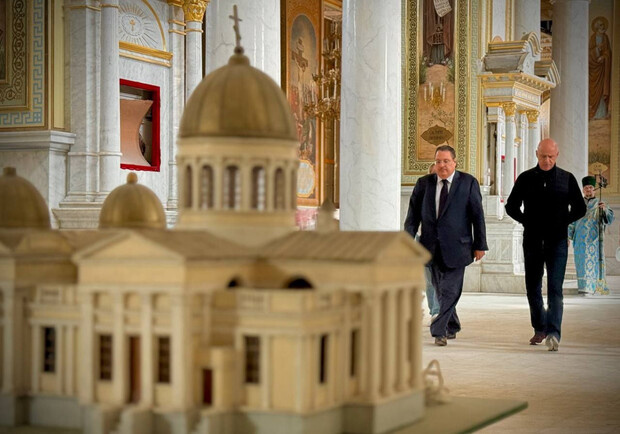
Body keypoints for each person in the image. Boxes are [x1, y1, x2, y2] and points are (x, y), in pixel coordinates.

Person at [505, 138, 586, 352]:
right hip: (532, 241)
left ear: (557, 155)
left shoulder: (567, 179)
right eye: (543, 156)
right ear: (536, 154)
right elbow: (511, 206)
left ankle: (553, 333)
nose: (547, 160)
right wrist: (526, 220)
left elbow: (580, 208)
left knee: (555, 288)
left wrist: (563, 221)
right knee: (533, 287)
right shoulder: (525, 178)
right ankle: (540, 327)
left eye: (551, 156)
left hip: (557, 242)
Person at [405, 145, 488, 346]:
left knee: (450, 290)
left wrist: (480, 245)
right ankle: (453, 324)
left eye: (446, 161)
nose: (442, 165)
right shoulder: (423, 184)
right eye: (438, 161)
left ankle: (438, 330)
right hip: (430, 247)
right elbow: (412, 217)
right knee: (441, 291)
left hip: (458, 247)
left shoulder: (468, 183)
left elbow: (477, 216)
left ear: (454, 163)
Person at [568, 175, 614, 295]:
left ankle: (595, 287)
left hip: (595, 240)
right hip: (580, 240)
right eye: (586, 188)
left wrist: (604, 210)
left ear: (594, 189)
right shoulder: (577, 204)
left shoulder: (601, 203)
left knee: (595, 263)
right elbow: (571, 221)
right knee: (581, 263)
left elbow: (610, 219)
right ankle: (583, 287)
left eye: (591, 187)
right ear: (583, 190)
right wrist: (567, 236)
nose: (588, 190)